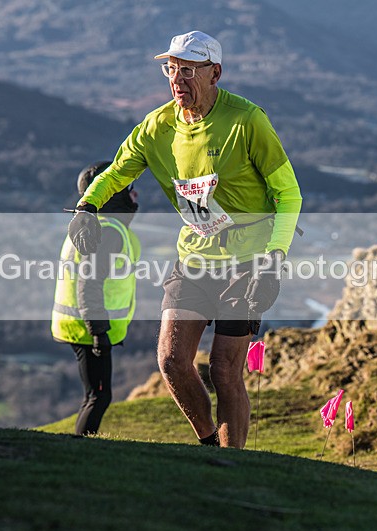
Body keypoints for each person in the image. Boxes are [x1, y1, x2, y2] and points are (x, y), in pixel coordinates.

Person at [67, 31, 302, 448]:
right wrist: (87, 207)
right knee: (172, 361)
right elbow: (118, 171)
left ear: (215, 73)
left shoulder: (247, 120)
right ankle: (209, 446)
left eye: (188, 70)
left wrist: (274, 259)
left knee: (224, 370)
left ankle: (233, 463)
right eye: (172, 69)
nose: (178, 78)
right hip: (194, 255)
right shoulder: (157, 126)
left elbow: (289, 194)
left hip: (249, 259)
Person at [52, 161, 141, 436]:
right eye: (129, 188)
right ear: (113, 193)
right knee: (98, 397)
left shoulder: (93, 226)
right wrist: (99, 331)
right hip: (87, 329)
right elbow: (89, 284)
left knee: (95, 395)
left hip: (82, 325)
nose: (135, 195)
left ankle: (80, 450)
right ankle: (79, 453)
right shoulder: (108, 232)